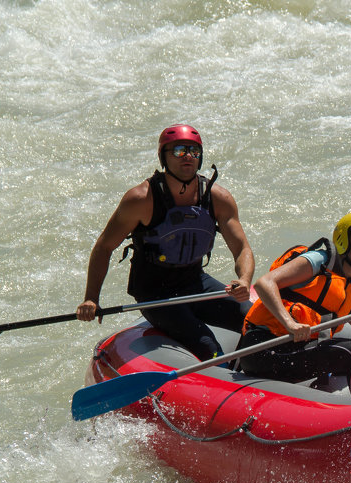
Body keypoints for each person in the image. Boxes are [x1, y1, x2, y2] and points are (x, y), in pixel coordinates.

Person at [77, 125, 255, 360]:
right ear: (164, 156)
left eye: (194, 151)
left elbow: (242, 248)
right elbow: (104, 247)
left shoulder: (218, 198)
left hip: (195, 282)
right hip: (154, 292)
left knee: (258, 321)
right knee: (209, 347)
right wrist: (91, 298)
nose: (188, 156)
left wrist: (244, 280)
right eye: (180, 151)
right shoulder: (141, 199)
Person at [236, 212, 351, 397]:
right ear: (344, 241)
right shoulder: (318, 261)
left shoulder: (348, 288)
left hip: (293, 353)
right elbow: (264, 283)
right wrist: (290, 324)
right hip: (264, 351)